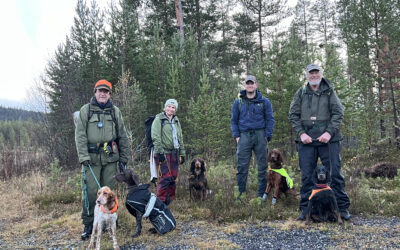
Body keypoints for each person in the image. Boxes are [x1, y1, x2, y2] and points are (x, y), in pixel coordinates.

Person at [289, 64, 351, 221]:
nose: (314, 76)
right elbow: (293, 115)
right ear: (307, 76)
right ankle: (306, 209)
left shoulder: (329, 91)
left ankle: (341, 209)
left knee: (335, 174)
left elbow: (338, 113)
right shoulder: (300, 93)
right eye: (311, 73)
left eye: (316, 73)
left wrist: (329, 132)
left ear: (321, 74)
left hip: (329, 141)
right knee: (307, 176)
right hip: (307, 141)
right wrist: (301, 133)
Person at [75, 79, 130, 240]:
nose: (102, 94)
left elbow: (123, 135)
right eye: (100, 91)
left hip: (110, 158)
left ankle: (110, 222)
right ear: (95, 92)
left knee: (109, 194)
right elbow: (80, 135)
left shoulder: (115, 111)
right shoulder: (86, 110)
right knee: (91, 192)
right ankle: (89, 224)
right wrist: (83, 156)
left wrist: (124, 157)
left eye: (106, 91)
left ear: (109, 94)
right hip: (90, 159)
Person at [230, 75, 274, 199]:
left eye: (252, 83)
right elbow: (233, 121)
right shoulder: (238, 102)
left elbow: (270, 119)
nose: (250, 85)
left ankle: (261, 196)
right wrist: (237, 137)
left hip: (260, 135)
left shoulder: (264, 102)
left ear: (256, 85)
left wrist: (267, 136)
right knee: (242, 167)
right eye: (247, 83)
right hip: (244, 136)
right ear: (245, 86)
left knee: (263, 167)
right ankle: (240, 195)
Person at [151, 99, 185, 205]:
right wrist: (160, 153)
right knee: (165, 178)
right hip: (163, 153)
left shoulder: (176, 121)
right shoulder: (159, 119)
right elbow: (155, 137)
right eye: (169, 106)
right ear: (165, 107)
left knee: (173, 177)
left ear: (175, 110)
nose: (171, 109)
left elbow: (180, 138)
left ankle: (169, 201)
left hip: (174, 153)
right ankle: (160, 202)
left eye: (173, 107)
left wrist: (182, 153)